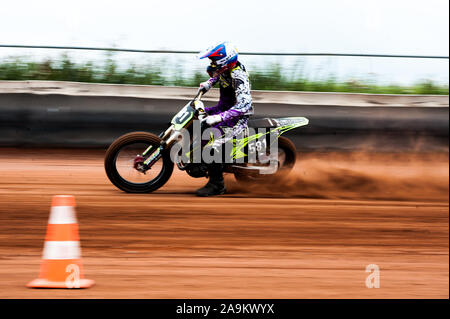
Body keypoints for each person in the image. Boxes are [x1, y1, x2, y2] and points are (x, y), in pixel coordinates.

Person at [195, 41, 253, 197]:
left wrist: (217, 118)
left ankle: (217, 185)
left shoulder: (239, 76)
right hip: (223, 109)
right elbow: (218, 77)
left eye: (214, 61)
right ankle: (197, 158)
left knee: (213, 145)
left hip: (237, 118)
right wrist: (208, 84)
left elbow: (244, 105)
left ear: (224, 61)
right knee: (194, 117)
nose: (212, 64)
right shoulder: (226, 69)